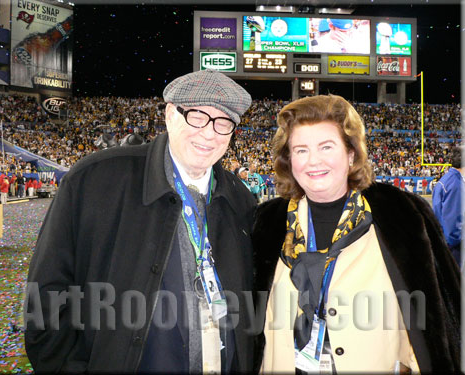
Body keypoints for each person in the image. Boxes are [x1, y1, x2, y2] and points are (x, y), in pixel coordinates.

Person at [24, 69, 257, 373]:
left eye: (224, 122)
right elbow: (47, 293)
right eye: (197, 116)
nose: (209, 133)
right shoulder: (96, 180)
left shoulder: (239, 198)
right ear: (171, 114)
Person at [252, 95, 460, 373]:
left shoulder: (401, 215)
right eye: (300, 150)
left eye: (326, 147)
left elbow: (438, 316)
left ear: (351, 153)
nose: (313, 160)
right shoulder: (268, 223)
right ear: (289, 160)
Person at [432, 146, 464, 268]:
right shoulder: (455, 185)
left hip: (444, 243)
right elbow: (453, 227)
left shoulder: (446, 180)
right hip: (453, 248)